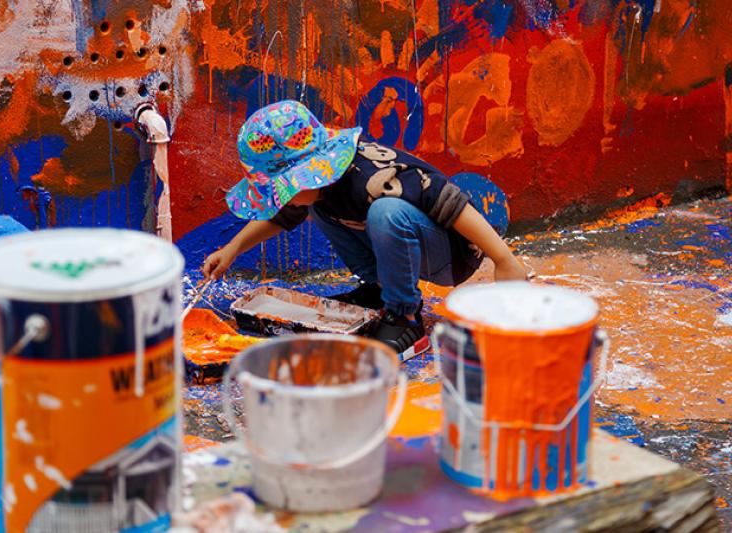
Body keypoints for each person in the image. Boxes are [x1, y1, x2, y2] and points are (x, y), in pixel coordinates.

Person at [203, 100, 526, 360]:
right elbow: (280, 216)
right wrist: (231, 249)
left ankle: (406, 319)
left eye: (285, 187)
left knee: (387, 212)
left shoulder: (372, 176)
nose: (283, 196)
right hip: (405, 245)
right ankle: (378, 291)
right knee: (321, 207)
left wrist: (503, 259)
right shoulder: (320, 185)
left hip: (450, 254)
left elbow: (452, 203)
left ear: (312, 169)